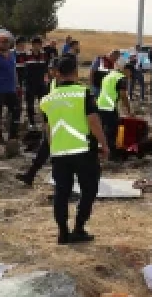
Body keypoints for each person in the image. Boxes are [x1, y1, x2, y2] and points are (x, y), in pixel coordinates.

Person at [39, 55, 110, 244]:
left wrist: (52, 148)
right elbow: (93, 121)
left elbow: (48, 128)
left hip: (60, 152)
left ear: (58, 74)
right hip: (84, 150)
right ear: (76, 73)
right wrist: (104, 144)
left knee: (61, 193)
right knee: (89, 190)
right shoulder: (83, 93)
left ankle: (62, 232)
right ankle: (78, 227)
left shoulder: (47, 99)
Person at [16, 57, 60, 187]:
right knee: (44, 149)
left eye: (53, 69)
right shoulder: (52, 83)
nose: (50, 71)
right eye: (50, 69)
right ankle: (30, 175)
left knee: (54, 153)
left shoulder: (62, 84)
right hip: (52, 122)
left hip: (60, 123)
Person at [96, 62, 134, 158]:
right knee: (112, 131)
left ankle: (101, 150)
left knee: (103, 129)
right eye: (130, 73)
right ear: (127, 70)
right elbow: (123, 96)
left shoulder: (110, 75)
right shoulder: (121, 78)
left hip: (99, 105)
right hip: (109, 107)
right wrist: (129, 110)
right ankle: (112, 154)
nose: (130, 76)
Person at [0, 33, 21, 140]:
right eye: (2, 42)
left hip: (11, 89)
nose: (5, 44)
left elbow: (14, 70)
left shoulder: (12, 54)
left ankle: (13, 135)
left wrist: (17, 84)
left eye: (7, 42)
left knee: (16, 110)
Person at [21, 37, 50, 131]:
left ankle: (46, 122)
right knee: (30, 104)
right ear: (32, 45)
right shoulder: (26, 55)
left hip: (41, 84)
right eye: (35, 44)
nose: (37, 46)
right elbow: (22, 70)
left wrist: (47, 79)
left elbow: (46, 68)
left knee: (44, 103)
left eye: (39, 44)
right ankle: (31, 123)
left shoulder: (44, 55)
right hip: (30, 83)